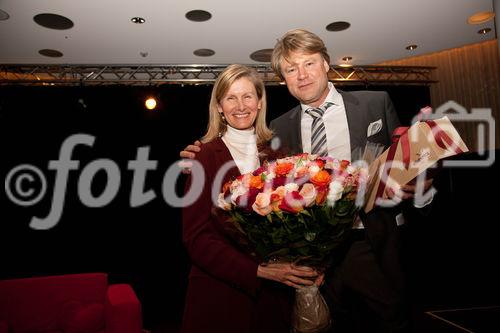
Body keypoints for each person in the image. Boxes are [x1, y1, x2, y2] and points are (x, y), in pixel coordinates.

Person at [180, 30, 434, 333]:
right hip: (311, 264)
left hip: (373, 250)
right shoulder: (279, 131)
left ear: (326, 64)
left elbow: (412, 170)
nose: (301, 75)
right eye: (291, 69)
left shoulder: (375, 104)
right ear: (283, 80)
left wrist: (421, 193)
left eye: (309, 64)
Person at [180, 64, 322, 333]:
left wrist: (309, 263)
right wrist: (257, 270)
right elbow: (196, 237)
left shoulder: (280, 156)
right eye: (230, 98)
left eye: (247, 96)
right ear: (219, 107)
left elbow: (298, 224)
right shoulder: (204, 156)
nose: (240, 105)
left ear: (259, 103)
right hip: (220, 296)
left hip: (273, 297)